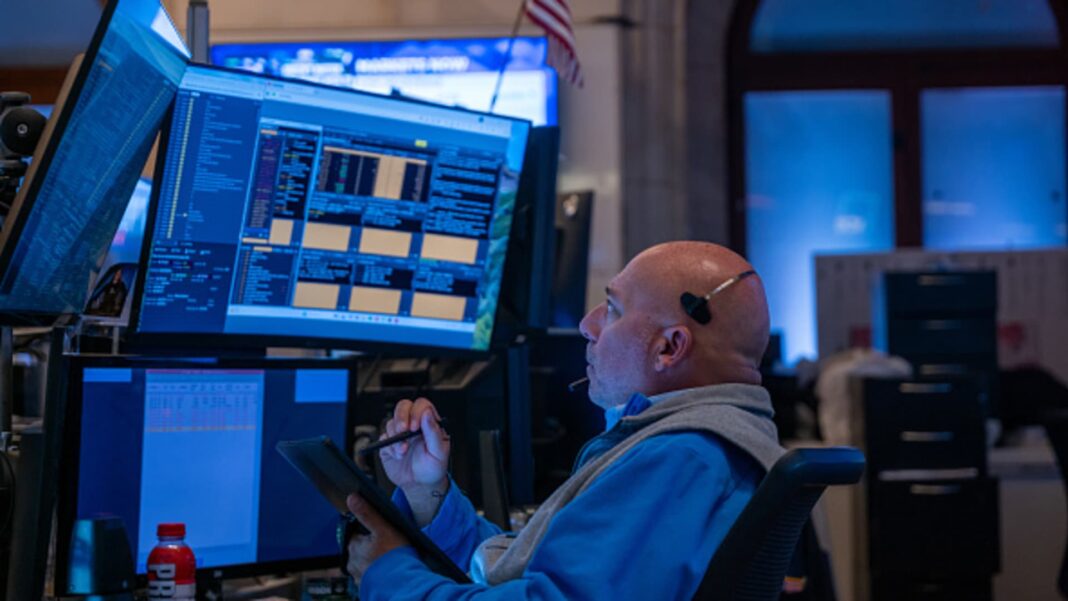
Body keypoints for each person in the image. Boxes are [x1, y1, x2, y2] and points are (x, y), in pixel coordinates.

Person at [345, 241, 785, 600]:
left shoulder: (681, 457)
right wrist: (428, 492)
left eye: (611, 308)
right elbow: (518, 569)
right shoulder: (700, 447)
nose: (587, 325)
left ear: (669, 347)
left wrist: (389, 575)